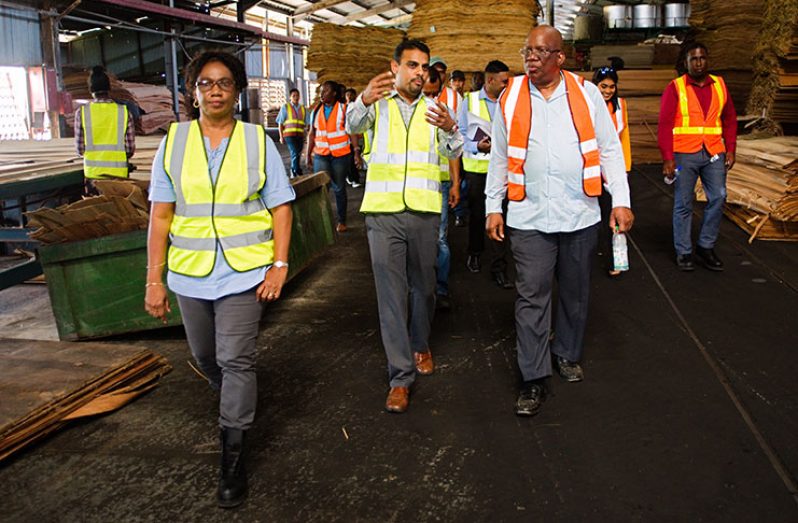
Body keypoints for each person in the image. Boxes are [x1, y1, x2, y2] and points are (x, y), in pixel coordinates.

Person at [144, 51, 294, 508]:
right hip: (190, 274)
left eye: (224, 83)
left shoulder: (256, 141)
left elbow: (282, 206)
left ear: (236, 91)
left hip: (243, 272)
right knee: (207, 357)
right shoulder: (173, 142)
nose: (214, 91)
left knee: (236, 361)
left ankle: (232, 457)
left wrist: (280, 264)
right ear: (194, 92)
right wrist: (154, 278)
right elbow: (161, 215)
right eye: (206, 83)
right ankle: (231, 392)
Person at [485, 26, 633, 417]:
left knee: (574, 290)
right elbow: (499, 155)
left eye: (539, 51)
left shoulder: (585, 96)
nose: (530, 58)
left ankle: (566, 351)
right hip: (529, 214)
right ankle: (532, 378)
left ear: (560, 58)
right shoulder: (510, 97)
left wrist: (621, 200)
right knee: (531, 294)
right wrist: (492, 206)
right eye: (527, 50)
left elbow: (609, 149)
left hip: (579, 212)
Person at [347, 39, 463, 413]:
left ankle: (420, 343)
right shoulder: (376, 106)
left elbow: (455, 150)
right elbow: (352, 123)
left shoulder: (434, 110)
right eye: (412, 65)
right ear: (394, 66)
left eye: (423, 67)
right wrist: (363, 98)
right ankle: (400, 376)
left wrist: (450, 128)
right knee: (391, 296)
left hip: (425, 213)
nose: (419, 73)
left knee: (424, 287)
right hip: (383, 214)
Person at [658, 42, 736, 272]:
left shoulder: (720, 85)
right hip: (684, 154)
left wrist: (730, 148)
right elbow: (664, 125)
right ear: (686, 62)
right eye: (694, 58)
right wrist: (667, 158)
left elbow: (730, 119)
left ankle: (705, 245)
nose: (699, 62)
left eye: (702, 58)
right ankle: (684, 251)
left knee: (719, 197)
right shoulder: (676, 87)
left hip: (713, 151)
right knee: (683, 203)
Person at [459, 60, 512, 289]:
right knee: (478, 216)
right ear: (490, 80)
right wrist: (476, 146)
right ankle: (475, 252)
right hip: (477, 171)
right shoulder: (468, 101)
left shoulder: (509, 101)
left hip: (504, 171)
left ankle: (499, 266)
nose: (507, 85)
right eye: (503, 81)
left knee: (502, 216)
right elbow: (459, 136)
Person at [422, 67, 462, 311]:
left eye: (434, 93)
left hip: (441, 183)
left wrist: (456, 182)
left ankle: (441, 287)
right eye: (426, 93)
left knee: (440, 238)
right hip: (417, 185)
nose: (431, 99)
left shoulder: (445, 114)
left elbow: (453, 153)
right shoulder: (412, 115)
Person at [306, 80, 361, 233]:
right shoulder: (316, 111)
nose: (322, 94)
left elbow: (352, 132)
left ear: (335, 93)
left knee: (339, 188)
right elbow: (312, 133)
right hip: (321, 155)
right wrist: (308, 153)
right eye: (321, 91)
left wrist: (356, 152)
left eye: (325, 91)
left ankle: (341, 221)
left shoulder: (344, 109)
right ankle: (320, 221)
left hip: (340, 156)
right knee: (320, 188)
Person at [593, 66, 631, 277]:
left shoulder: (620, 106)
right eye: (603, 86)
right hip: (591, 167)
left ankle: (613, 260)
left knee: (613, 214)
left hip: (611, 168)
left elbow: (623, 139)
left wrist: (624, 167)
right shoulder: (587, 104)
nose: (608, 91)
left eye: (612, 87)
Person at [75, 66, 135, 194]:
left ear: (91, 89)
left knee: (95, 211)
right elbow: (130, 149)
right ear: (109, 88)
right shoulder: (123, 112)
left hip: (93, 175)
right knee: (121, 212)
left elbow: (80, 149)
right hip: (119, 175)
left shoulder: (82, 113)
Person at [276, 87, 309, 178]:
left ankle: (293, 169)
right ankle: (297, 171)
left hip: (300, 135)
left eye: (297, 95)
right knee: (294, 152)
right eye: (293, 96)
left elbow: (307, 123)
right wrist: (281, 136)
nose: (296, 97)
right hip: (289, 135)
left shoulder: (303, 109)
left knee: (298, 153)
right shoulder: (285, 107)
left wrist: (307, 136)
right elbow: (280, 123)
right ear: (290, 97)